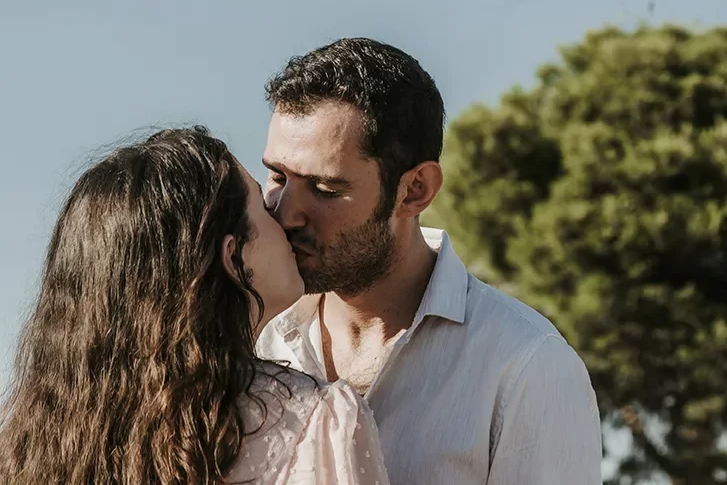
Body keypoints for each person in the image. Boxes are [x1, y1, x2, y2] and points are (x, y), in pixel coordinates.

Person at [257, 38, 603, 485]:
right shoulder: (252, 340)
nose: (285, 213)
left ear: (415, 190)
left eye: (324, 189)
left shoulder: (525, 366)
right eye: (277, 176)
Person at [0, 127, 391, 485]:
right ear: (234, 257)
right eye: (262, 203)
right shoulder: (320, 424)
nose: (285, 218)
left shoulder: (35, 443)